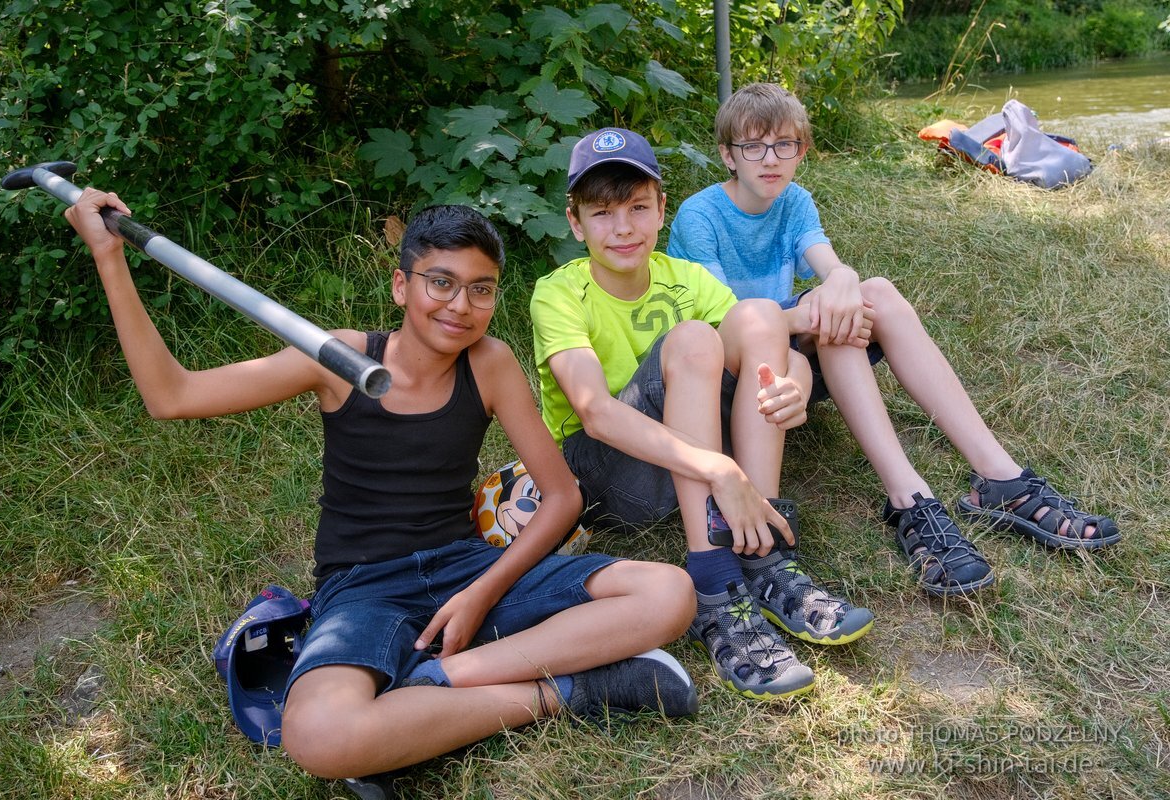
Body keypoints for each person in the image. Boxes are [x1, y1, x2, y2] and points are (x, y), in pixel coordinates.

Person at [65, 191, 700, 798]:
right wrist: (109, 256)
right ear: (402, 286)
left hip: (467, 567)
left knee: (667, 591)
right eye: (440, 282)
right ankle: (568, 693)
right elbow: (171, 396)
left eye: (481, 290)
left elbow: (561, 497)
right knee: (317, 738)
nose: (460, 305)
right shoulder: (338, 358)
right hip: (364, 588)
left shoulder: (490, 363)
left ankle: (445, 678)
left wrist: (478, 595)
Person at [667, 82, 1120, 599]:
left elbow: (830, 266)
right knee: (811, 313)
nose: (769, 159)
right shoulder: (700, 215)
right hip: (729, 365)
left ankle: (992, 480)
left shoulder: (794, 202)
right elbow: (718, 314)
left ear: (802, 151)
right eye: (753, 146)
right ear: (728, 154)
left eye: (784, 145)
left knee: (873, 293)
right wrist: (812, 314)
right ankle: (920, 497)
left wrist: (840, 284)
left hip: (785, 355)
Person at [530, 127, 876, 703]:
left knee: (760, 314)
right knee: (692, 338)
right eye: (602, 213)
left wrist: (796, 383)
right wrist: (718, 468)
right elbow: (594, 413)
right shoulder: (559, 293)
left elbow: (771, 345)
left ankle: (762, 548)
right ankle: (714, 580)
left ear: (662, 209)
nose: (622, 228)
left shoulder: (685, 278)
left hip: (688, 454)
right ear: (575, 222)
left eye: (638, 208)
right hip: (612, 475)